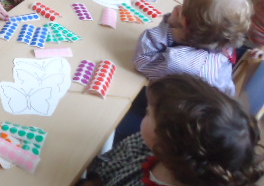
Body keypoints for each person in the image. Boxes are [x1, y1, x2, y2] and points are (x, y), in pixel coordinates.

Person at [81, 74, 263, 186]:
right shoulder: (150, 145)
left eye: (148, 113)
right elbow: (109, 164)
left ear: (169, 140)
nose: (145, 112)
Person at [134, 0, 252, 96]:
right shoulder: (224, 37)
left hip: (174, 104)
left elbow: (142, 61)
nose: (178, 7)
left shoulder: (181, 62)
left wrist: (171, 30)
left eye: (183, 6)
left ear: (185, 22)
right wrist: (182, 29)